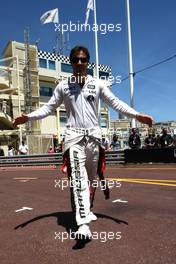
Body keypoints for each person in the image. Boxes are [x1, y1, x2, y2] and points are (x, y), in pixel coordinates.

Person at [13, 46, 153, 240]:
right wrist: (27, 117)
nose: (79, 63)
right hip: (74, 138)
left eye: (83, 60)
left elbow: (116, 103)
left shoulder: (98, 84)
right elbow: (48, 108)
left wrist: (137, 116)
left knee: (91, 180)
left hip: (94, 138)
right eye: (76, 60)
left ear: (88, 62)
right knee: (78, 180)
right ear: (71, 62)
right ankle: (83, 224)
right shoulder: (63, 86)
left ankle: (89, 209)